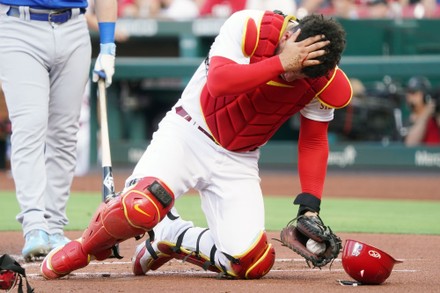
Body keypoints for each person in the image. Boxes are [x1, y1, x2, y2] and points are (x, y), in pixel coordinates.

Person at [41, 10, 352, 280]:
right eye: (295, 63)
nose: (292, 73)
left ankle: (171, 236)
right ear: (291, 34)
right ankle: (85, 247)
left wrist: (309, 207)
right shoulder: (250, 28)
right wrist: (282, 62)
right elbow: (220, 83)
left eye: (301, 73)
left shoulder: (321, 79)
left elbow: (313, 140)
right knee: (139, 207)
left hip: (238, 158)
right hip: (188, 133)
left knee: (252, 263)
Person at [0, 0, 117, 262]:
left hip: (73, 27)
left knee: (65, 134)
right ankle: (34, 226)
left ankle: (53, 227)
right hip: (19, 25)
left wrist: (108, 47)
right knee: (30, 125)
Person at [403, 76, 440, 146]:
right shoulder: (407, 121)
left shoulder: (434, 119)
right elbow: (410, 144)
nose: (409, 96)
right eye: (408, 92)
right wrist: (426, 114)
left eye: (413, 92)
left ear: (425, 95)